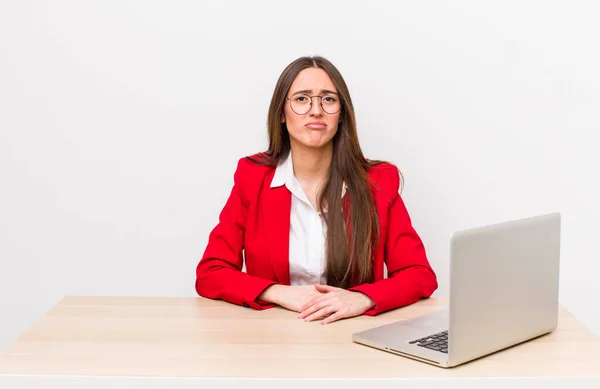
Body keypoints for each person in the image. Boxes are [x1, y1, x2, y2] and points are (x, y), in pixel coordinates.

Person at [195, 55, 437, 324]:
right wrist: (278, 293)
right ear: (281, 115)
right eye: (301, 99)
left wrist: (362, 297)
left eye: (328, 99)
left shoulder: (379, 182)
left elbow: (419, 274)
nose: (316, 110)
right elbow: (211, 272)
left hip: (352, 336)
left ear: (342, 115)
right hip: (273, 336)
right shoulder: (253, 178)